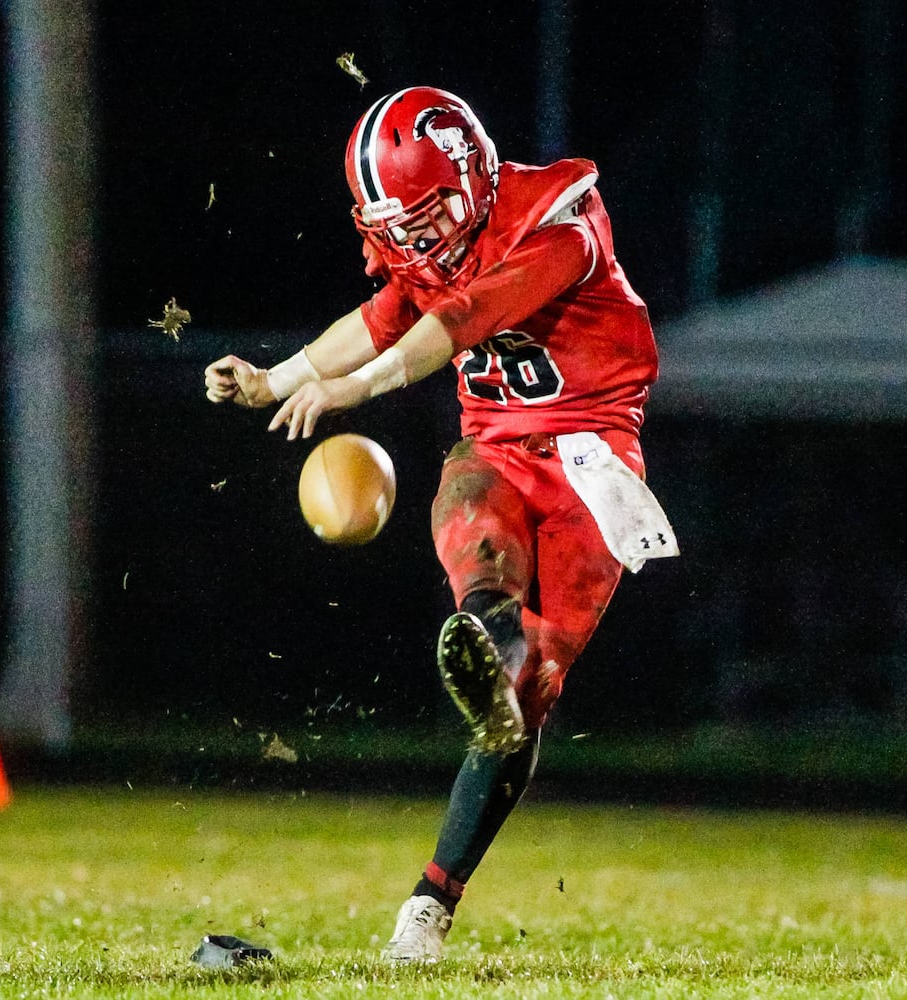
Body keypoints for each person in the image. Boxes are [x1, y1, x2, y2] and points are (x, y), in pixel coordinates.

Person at [204, 86, 676, 962]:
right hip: (494, 446)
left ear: (473, 177)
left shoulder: (559, 224)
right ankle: (489, 633)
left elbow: (454, 324)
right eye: (399, 223)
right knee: (475, 536)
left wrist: (351, 390)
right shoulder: (432, 236)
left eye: (425, 217)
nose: (415, 240)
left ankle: (431, 899)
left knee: (527, 703)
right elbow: (384, 314)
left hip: (590, 466)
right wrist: (273, 379)